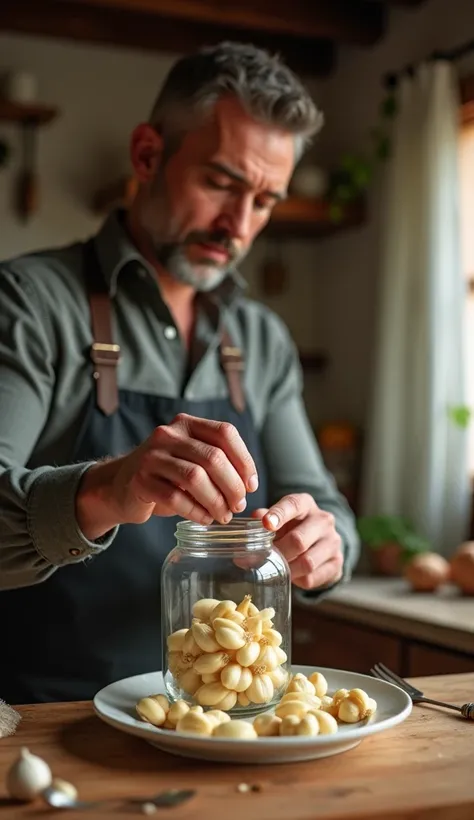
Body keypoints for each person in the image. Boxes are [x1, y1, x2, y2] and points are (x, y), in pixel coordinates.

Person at [0, 42, 359, 705]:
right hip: (47, 718)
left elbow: (326, 503)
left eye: (264, 201)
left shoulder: (261, 337)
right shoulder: (29, 302)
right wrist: (108, 488)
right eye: (221, 183)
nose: (239, 226)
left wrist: (326, 542)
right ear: (146, 155)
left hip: (222, 724)